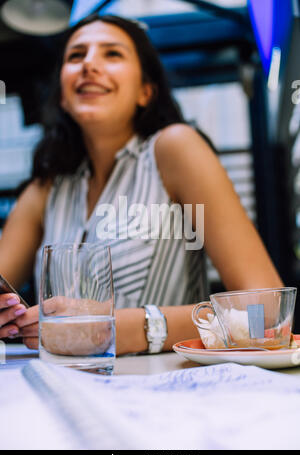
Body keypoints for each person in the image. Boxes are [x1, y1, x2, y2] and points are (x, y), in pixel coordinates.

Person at [0, 14, 283, 355]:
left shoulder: (175, 148)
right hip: (65, 393)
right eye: (76, 56)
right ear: (62, 94)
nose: (89, 63)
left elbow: (266, 309)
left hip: (171, 393)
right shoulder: (46, 189)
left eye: (112, 54)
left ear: (146, 91)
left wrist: (125, 327)